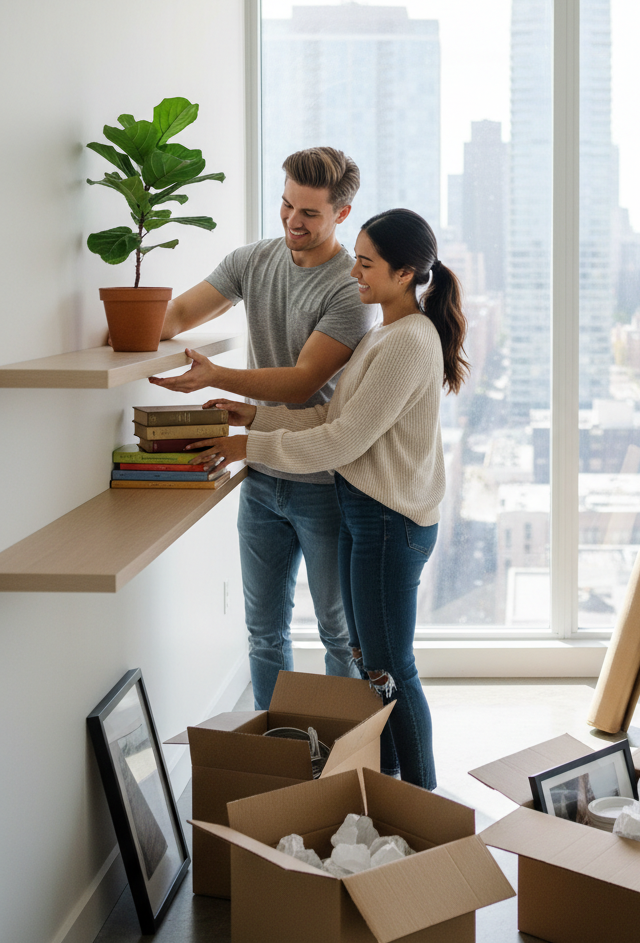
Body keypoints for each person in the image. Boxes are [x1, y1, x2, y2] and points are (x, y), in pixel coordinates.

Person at [189, 208, 469, 790]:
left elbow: (340, 440)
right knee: (374, 664)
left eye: (366, 264)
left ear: (405, 274)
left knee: (393, 667)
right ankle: (388, 780)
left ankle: (421, 797)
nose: (354, 274)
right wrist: (255, 416)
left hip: (390, 524)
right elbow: (329, 413)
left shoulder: (408, 343)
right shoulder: (386, 334)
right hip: (369, 519)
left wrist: (250, 443)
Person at [148, 147, 376, 709]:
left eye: (310, 213)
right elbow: (177, 315)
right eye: (286, 204)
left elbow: (302, 383)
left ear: (341, 215)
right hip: (261, 476)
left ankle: (342, 761)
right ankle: (276, 753)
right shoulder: (253, 260)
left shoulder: (349, 290)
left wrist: (215, 376)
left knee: (339, 637)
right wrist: (115, 335)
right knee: (264, 633)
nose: (293, 221)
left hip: (324, 481)